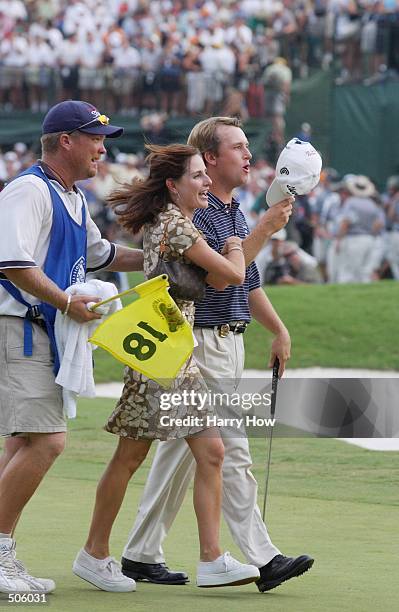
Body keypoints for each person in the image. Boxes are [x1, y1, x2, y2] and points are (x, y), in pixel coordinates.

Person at [120, 117, 314, 593]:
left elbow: (247, 283)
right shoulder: (201, 211)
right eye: (239, 148)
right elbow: (223, 277)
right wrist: (266, 229)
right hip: (201, 339)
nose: (248, 156)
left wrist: (279, 328)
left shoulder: (230, 211)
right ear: (209, 158)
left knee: (182, 457)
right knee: (230, 451)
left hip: (227, 340)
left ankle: (140, 553)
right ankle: (263, 557)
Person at [72, 143, 261, 592]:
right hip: (160, 355)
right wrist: (238, 244)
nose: (207, 183)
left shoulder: (173, 221)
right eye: (197, 176)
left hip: (169, 353)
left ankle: (211, 559)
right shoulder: (176, 225)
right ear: (173, 186)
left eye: (205, 174)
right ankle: (94, 553)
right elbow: (231, 276)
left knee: (207, 452)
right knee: (131, 456)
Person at [0, 100, 144, 594]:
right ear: (66, 141)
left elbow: (101, 254)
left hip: (41, 331)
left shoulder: (74, 199)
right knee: (48, 441)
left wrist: (165, 256)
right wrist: (66, 302)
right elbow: (14, 264)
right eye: (95, 139)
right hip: (22, 327)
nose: (102, 151)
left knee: (23, 441)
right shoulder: (28, 191)